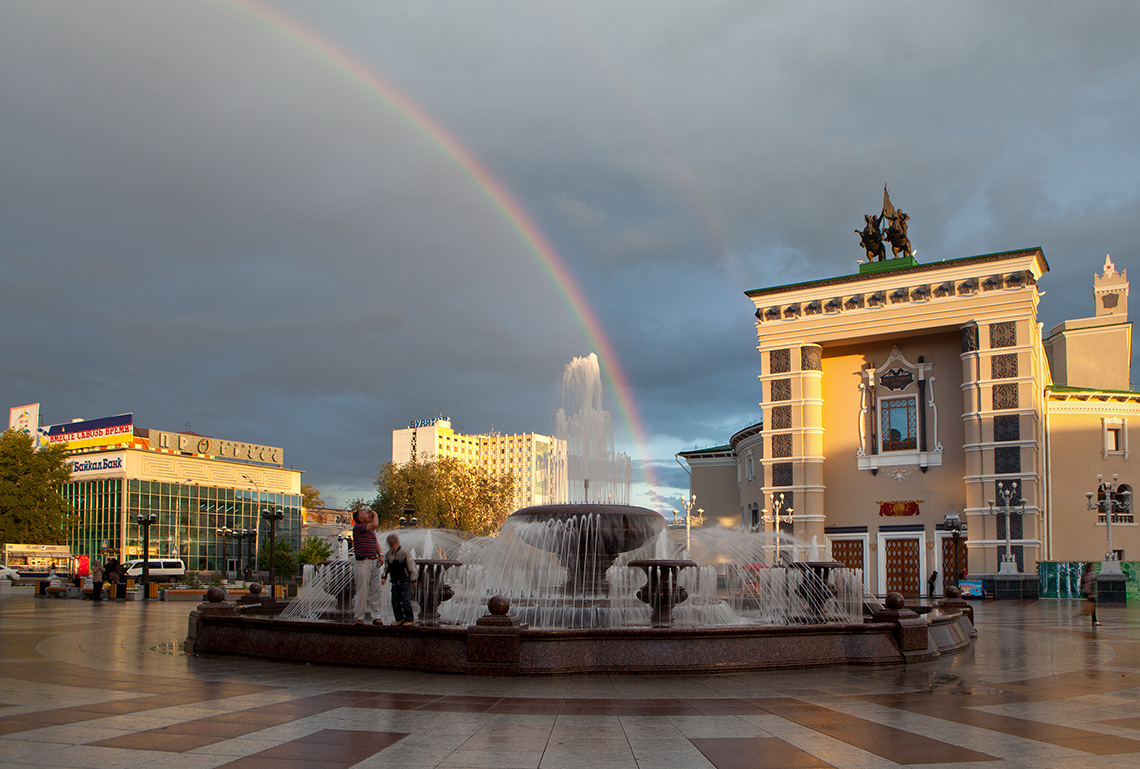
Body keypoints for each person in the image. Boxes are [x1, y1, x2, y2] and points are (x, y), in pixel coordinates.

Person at [351, 509, 384, 625]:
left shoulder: (370, 530)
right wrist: (376, 514)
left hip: (373, 561)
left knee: (376, 590)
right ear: (360, 519)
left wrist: (380, 554)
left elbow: (375, 541)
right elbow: (375, 524)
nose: (368, 514)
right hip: (363, 562)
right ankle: (359, 617)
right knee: (362, 590)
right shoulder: (358, 527)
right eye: (365, 513)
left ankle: (376, 616)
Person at [382, 533, 417, 626]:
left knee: (405, 601)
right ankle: (399, 618)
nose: (393, 548)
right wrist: (384, 577)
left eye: (394, 545)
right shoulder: (388, 555)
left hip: (404, 581)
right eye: (391, 546)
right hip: (394, 581)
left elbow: (411, 567)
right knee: (395, 601)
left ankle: (409, 619)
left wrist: (413, 580)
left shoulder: (405, 554)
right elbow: (386, 568)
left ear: (398, 543)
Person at [1081, 562, 1100, 626]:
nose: (1093, 568)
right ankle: (1094, 620)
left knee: (1092, 606)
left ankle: (1093, 620)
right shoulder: (1089, 575)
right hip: (1090, 593)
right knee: (1093, 607)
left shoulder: (1086, 575)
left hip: (1088, 593)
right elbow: (1089, 585)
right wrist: (1090, 593)